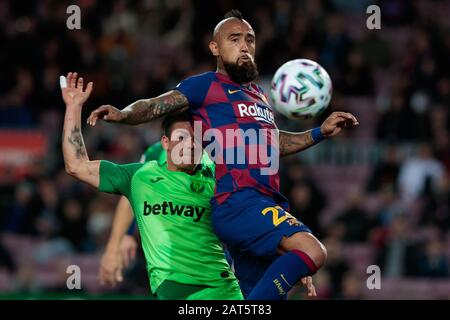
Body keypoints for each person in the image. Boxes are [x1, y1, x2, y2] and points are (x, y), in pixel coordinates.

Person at [86, 10, 358, 299]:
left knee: (256, 294)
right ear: (215, 48)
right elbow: (155, 105)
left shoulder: (258, 95)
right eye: (235, 39)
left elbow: (272, 142)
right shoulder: (205, 86)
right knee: (313, 250)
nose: (245, 46)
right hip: (237, 201)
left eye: (250, 40)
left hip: (262, 200)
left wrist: (319, 133)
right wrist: (123, 114)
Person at [60, 72, 245, 299]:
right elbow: (76, 165)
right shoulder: (141, 177)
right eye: (181, 138)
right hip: (173, 289)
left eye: (196, 138)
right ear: (165, 143)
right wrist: (74, 107)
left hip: (223, 289)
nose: (189, 145)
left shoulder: (217, 174)